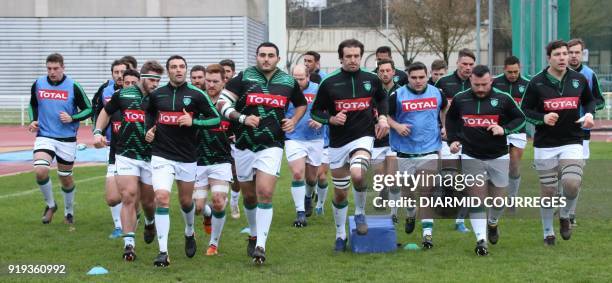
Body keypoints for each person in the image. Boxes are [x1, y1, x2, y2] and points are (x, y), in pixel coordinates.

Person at [219, 42, 307, 264]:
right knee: (249, 196)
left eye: (270, 55)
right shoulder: (244, 77)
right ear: (256, 57)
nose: (266, 59)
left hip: (272, 143)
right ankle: (254, 233)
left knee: (265, 193)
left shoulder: (288, 81)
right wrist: (241, 118)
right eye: (262, 55)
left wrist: (294, 121)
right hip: (244, 143)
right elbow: (222, 103)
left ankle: (261, 246)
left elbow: (301, 104)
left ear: (278, 58)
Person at [311, 39, 389, 252]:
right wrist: (331, 120)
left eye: (356, 56)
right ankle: (340, 234)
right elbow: (315, 111)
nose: (353, 60)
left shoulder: (371, 79)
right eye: (348, 56)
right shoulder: (329, 82)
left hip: (363, 137)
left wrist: (382, 118)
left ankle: (360, 212)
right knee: (340, 194)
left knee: (358, 173)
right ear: (341, 58)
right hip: (338, 143)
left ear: (361, 56)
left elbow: (382, 99)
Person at [144, 55, 221, 267]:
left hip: (187, 156)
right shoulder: (157, 94)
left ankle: (189, 231)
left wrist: (193, 121)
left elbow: (215, 118)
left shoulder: (196, 94)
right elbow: (149, 114)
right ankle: (163, 252)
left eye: (181, 67)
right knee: (161, 197)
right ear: (167, 71)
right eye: (174, 67)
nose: (178, 70)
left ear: (185, 70)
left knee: (187, 203)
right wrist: (148, 131)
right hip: (161, 154)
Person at [521, 40, 595, 246]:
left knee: (572, 183)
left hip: (572, 140)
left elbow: (589, 100)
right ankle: (548, 233)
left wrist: (589, 113)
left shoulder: (578, 79)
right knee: (548, 191)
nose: (563, 58)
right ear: (549, 58)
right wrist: (542, 118)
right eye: (558, 54)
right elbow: (525, 110)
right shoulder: (536, 82)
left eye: (565, 54)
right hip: (545, 144)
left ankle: (564, 215)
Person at [446, 64, 526, 255]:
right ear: (470, 82)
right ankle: (481, 240)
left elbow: (520, 118)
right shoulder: (460, 99)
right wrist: (454, 139)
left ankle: (492, 223)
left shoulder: (503, 98)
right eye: (476, 85)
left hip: (498, 155)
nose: (480, 89)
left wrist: (504, 130)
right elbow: (451, 120)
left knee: (498, 201)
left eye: (484, 84)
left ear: (491, 81)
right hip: (471, 155)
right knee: (476, 199)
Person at [93, 62, 163, 261]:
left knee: (149, 202)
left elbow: (167, 122)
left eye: (158, 80)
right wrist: (98, 131)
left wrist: (155, 132)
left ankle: (150, 222)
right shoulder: (123, 95)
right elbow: (106, 112)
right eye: (151, 79)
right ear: (142, 77)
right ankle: (129, 245)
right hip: (125, 154)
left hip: (150, 156)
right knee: (128, 197)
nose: (154, 83)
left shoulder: (161, 98)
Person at [388, 62, 448, 248]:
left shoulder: (437, 93)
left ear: (427, 75)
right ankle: (411, 212)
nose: (418, 81)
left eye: (421, 77)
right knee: (407, 192)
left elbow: (445, 108)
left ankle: (427, 235)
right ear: (408, 76)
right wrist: (397, 126)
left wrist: (444, 126)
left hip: (429, 149)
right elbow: (385, 116)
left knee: (425, 192)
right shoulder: (397, 95)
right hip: (405, 150)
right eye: (414, 77)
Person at [29, 53, 92, 225]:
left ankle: (69, 211)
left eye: (56, 68)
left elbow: (88, 109)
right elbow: (33, 104)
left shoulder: (73, 86)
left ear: (63, 68)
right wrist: (33, 120)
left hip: (67, 139)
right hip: (45, 136)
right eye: (49, 68)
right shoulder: (39, 83)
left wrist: (72, 118)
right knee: (40, 170)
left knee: (65, 177)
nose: (52, 72)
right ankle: (50, 205)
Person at [191, 64, 234, 256]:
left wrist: (236, 135)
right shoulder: (197, 101)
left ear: (224, 81)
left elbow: (239, 126)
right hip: (198, 161)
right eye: (208, 81)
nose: (210, 85)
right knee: (198, 208)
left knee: (218, 200)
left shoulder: (230, 105)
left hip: (221, 160)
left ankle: (213, 244)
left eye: (215, 81)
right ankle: (207, 215)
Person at [435, 48, 476, 233]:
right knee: (449, 178)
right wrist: (444, 128)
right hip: (448, 138)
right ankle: (442, 201)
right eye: (465, 64)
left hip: (471, 138)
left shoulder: (477, 83)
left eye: (471, 65)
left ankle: (460, 220)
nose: (468, 68)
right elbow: (439, 109)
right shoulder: (444, 82)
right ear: (458, 63)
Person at [566, 38, 606, 226]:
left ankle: (570, 214)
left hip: (582, 132)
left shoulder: (590, 75)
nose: (574, 56)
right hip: (558, 132)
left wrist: (588, 110)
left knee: (576, 174)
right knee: (559, 175)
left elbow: (600, 100)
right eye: (570, 52)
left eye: (577, 52)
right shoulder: (557, 74)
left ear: (583, 53)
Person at [92, 59, 129, 239]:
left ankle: (139, 220)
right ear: (112, 74)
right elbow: (98, 110)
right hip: (112, 145)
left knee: (133, 192)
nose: (119, 75)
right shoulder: (105, 91)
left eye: (123, 72)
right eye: (116, 72)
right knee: (113, 196)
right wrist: (97, 131)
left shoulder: (139, 92)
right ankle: (117, 226)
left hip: (135, 149)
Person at [285, 65, 323, 226]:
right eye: (295, 78)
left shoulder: (319, 89)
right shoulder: (286, 90)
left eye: (301, 79)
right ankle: (300, 212)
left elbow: (329, 109)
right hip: (293, 137)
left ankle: (308, 197)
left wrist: (320, 120)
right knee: (298, 174)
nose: (298, 82)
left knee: (312, 178)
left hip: (316, 139)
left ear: (308, 77)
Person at [492, 56, 530, 213]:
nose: (513, 75)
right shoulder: (495, 83)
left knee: (513, 165)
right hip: (498, 130)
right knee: (498, 166)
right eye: (509, 72)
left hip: (517, 130)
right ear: (504, 70)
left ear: (519, 68)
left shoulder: (527, 85)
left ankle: (512, 198)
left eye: (516, 71)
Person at [373, 59, 400, 220]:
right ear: (378, 73)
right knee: (379, 177)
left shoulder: (401, 92)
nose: (385, 73)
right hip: (376, 140)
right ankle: (382, 191)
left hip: (394, 141)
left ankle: (393, 213)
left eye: (387, 70)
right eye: (381, 71)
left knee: (393, 178)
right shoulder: (372, 91)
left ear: (393, 72)